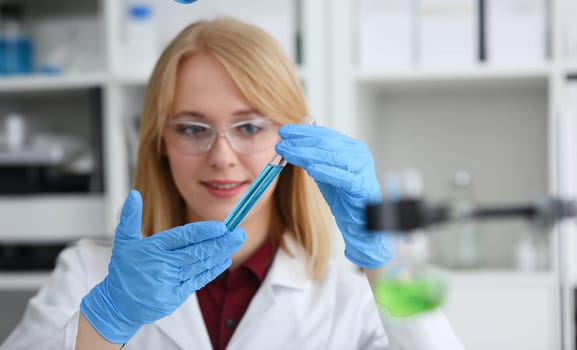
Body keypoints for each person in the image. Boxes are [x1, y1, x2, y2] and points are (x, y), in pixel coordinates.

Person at [1, 18, 463, 350]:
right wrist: (106, 323)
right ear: (160, 140)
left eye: (249, 127)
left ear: (290, 139)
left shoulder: (348, 293)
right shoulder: (89, 273)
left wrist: (386, 264)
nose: (222, 158)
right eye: (192, 128)